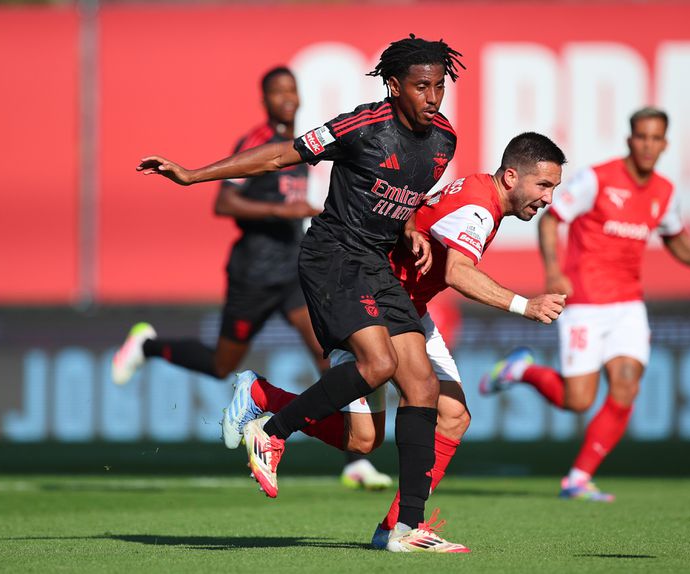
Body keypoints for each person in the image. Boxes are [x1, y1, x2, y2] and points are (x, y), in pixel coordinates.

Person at [137, 35, 469, 553]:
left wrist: (409, 230)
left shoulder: (444, 139)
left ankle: (405, 528)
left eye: (439, 86)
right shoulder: (363, 126)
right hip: (333, 257)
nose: (433, 97)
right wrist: (194, 174)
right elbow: (277, 157)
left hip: (378, 265)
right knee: (379, 364)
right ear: (393, 85)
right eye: (422, 86)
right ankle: (273, 431)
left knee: (421, 390)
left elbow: (400, 198)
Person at [236, 132, 567, 550]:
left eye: (553, 188)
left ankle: (397, 526)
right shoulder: (480, 209)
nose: (548, 198)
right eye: (543, 185)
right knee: (384, 422)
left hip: (408, 308)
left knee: (442, 418)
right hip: (370, 302)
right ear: (511, 176)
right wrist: (526, 306)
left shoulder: (483, 192)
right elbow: (458, 274)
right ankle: (268, 409)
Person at [113, 66, 391, 490]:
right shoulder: (259, 142)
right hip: (255, 270)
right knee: (222, 363)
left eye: (291, 91)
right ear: (264, 101)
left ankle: (355, 460)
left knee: (333, 356)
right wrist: (284, 212)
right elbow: (225, 203)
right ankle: (147, 344)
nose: (286, 99)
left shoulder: (302, 145)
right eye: (277, 92)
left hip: (295, 270)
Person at [480, 107, 690, 501]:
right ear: (630, 139)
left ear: (665, 143)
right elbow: (551, 220)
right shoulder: (598, 179)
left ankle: (578, 478)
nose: (648, 145)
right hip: (585, 301)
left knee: (627, 385)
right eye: (641, 137)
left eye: (655, 138)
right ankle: (522, 370)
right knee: (576, 399)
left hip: (628, 304)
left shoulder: (664, 192)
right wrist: (553, 273)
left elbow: (675, 236)